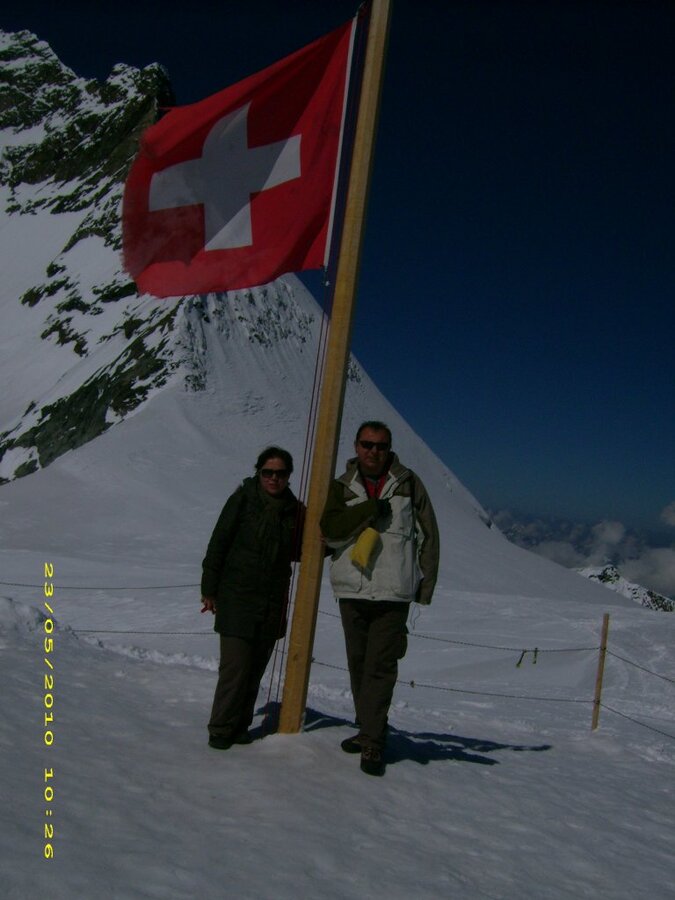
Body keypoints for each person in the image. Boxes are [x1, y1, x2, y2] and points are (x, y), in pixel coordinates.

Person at [320, 421, 440, 776]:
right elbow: (330, 531)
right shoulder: (342, 487)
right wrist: (368, 511)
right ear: (356, 447)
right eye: (367, 445)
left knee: (381, 667)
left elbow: (428, 535)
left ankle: (372, 741)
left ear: (390, 448)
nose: (373, 451)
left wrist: (424, 585)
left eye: (380, 446)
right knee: (359, 664)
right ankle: (368, 727)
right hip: (352, 589)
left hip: (392, 592)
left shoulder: (408, 483)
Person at [201, 447, 304, 750]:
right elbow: (218, 543)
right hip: (237, 598)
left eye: (280, 473)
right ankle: (221, 727)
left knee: (255, 669)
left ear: (288, 477)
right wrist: (209, 589)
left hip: (271, 602)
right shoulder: (242, 500)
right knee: (235, 668)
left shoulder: (295, 512)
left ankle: (241, 725)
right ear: (258, 472)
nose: (274, 478)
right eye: (268, 472)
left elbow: (303, 550)